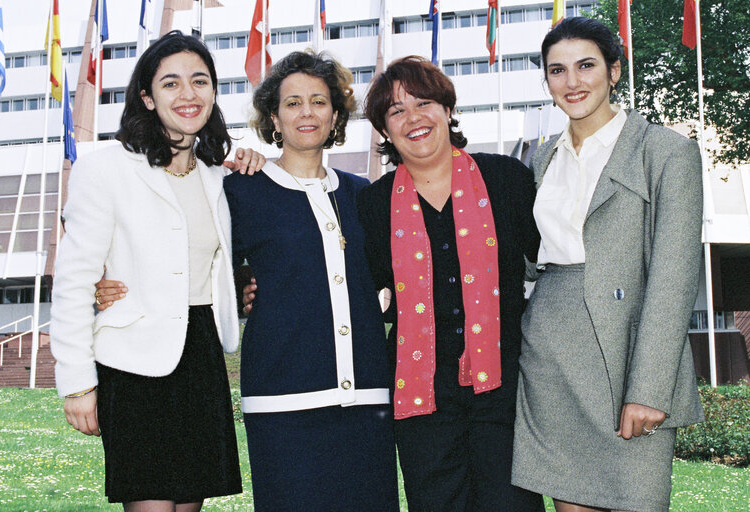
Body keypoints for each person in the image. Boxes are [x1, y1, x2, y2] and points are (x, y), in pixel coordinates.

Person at [510, 17, 704, 512]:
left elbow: (674, 276)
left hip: (628, 348)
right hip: (549, 349)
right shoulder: (539, 158)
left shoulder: (666, 152)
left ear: (614, 70)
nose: (572, 82)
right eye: (557, 70)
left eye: (586, 66)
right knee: (571, 503)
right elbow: (529, 260)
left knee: (636, 498)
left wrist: (651, 386)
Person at [50, 31, 243, 512]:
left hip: (200, 354)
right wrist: (76, 382)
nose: (188, 94)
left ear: (214, 92)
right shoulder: (107, 169)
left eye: (200, 81)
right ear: (147, 96)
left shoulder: (219, 175)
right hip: (133, 364)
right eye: (171, 83)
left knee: (188, 506)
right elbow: (74, 279)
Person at [358, 56, 545, 512]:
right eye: (396, 111)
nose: (413, 118)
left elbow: (553, 262)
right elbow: (363, 289)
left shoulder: (506, 178)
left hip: (504, 392)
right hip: (421, 399)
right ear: (384, 130)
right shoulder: (372, 204)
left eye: (424, 103)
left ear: (447, 109)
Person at [225, 51, 399, 511]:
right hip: (282, 404)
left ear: (336, 115)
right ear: (274, 119)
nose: (307, 112)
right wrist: (237, 284)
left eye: (319, 102)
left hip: (368, 400)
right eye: (293, 103)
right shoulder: (241, 190)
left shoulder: (366, 195)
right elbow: (202, 259)